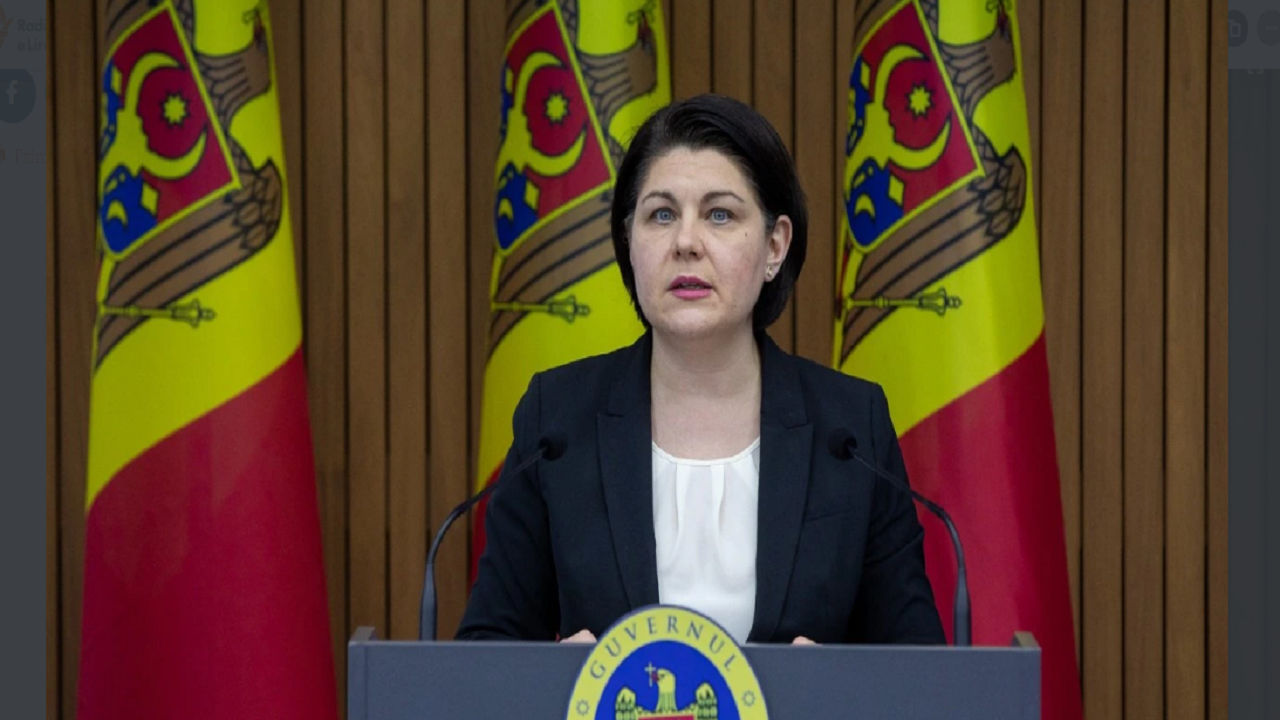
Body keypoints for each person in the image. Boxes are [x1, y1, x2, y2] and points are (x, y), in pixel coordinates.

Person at [456, 93, 944, 646]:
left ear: (775, 246)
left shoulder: (850, 429)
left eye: (720, 215)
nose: (686, 242)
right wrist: (556, 678)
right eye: (661, 215)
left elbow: (916, 663)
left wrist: (834, 684)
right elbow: (486, 649)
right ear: (628, 241)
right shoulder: (558, 423)